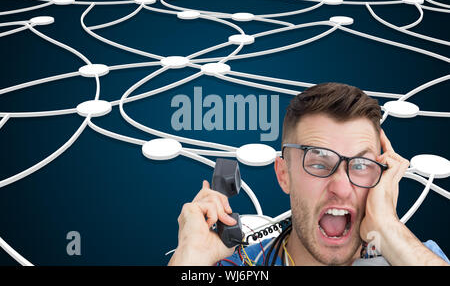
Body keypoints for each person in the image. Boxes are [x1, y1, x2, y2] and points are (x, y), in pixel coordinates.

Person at [168, 82, 449, 266]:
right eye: (318, 164)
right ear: (283, 174)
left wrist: (389, 230)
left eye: (361, 165)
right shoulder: (239, 267)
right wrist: (189, 259)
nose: (340, 187)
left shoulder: (414, 256)